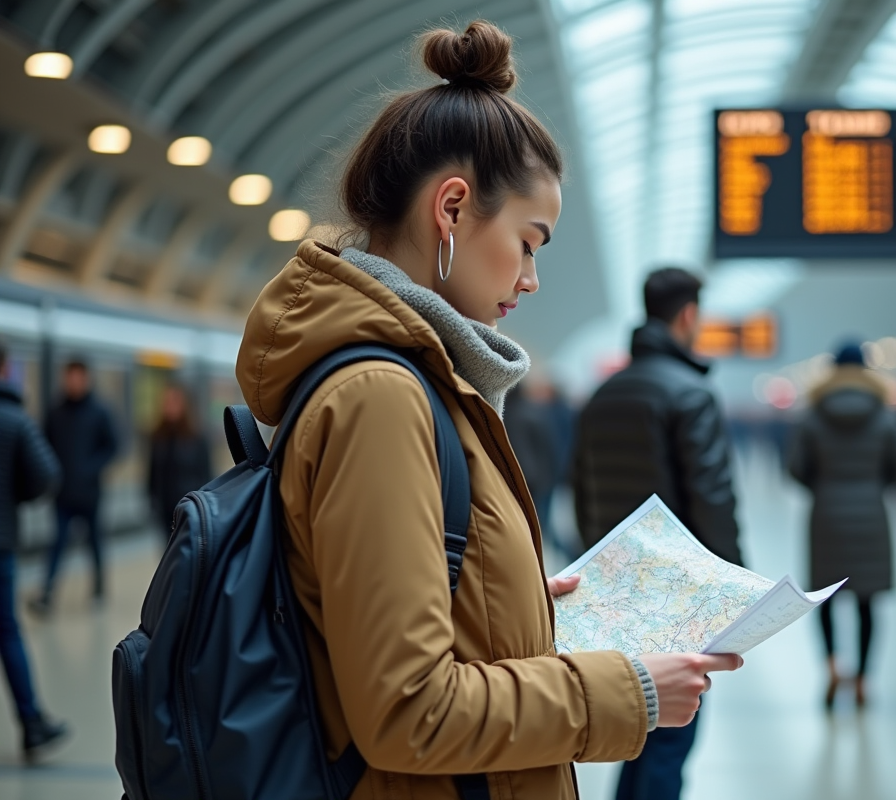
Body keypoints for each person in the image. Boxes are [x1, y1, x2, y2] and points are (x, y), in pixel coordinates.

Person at [232, 22, 738, 800]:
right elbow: (410, 711)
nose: (531, 278)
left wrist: (524, 609)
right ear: (453, 208)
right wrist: (629, 692)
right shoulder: (380, 398)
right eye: (529, 242)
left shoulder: (417, 384)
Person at [573, 266, 743, 800]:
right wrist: (737, 595)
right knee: (672, 736)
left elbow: (580, 491)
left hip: (616, 588)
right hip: (680, 595)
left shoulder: (602, 395)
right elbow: (713, 500)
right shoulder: (691, 393)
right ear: (688, 315)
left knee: (638, 722)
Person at [788, 342, 896, 709]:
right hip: (871, 515)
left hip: (825, 516)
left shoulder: (813, 415)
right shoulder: (885, 415)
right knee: (867, 602)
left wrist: (822, 487)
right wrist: (874, 486)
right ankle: (862, 679)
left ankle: (832, 667)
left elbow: (795, 468)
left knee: (825, 598)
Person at [0, 341, 70, 761]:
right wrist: (15, 496)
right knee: (7, 632)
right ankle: (32, 724)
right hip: (1, 543)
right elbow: (47, 474)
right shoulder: (15, 419)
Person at [31, 359, 117, 613]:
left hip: (90, 493)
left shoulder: (99, 412)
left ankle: (98, 587)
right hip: (62, 493)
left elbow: (112, 446)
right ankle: (47, 593)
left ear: (86, 379)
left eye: (79, 377)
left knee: (94, 541)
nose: (74, 382)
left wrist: (91, 468)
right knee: (57, 542)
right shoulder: (56, 412)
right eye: (70, 377)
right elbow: (43, 446)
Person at [147, 385, 212, 543]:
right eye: (166, 402)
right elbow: (153, 472)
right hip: (165, 507)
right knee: (169, 548)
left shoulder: (196, 437)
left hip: (190, 507)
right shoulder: (158, 436)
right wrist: (152, 499)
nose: (169, 406)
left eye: (174, 402)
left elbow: (206, 473)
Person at [503, 382, 562, 556]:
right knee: (543, 524)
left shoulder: (514, 415)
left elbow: (522, 452)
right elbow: (552, 446)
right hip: (545, 478)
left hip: (530, 481)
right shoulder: (535, 411)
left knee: (537, 527)